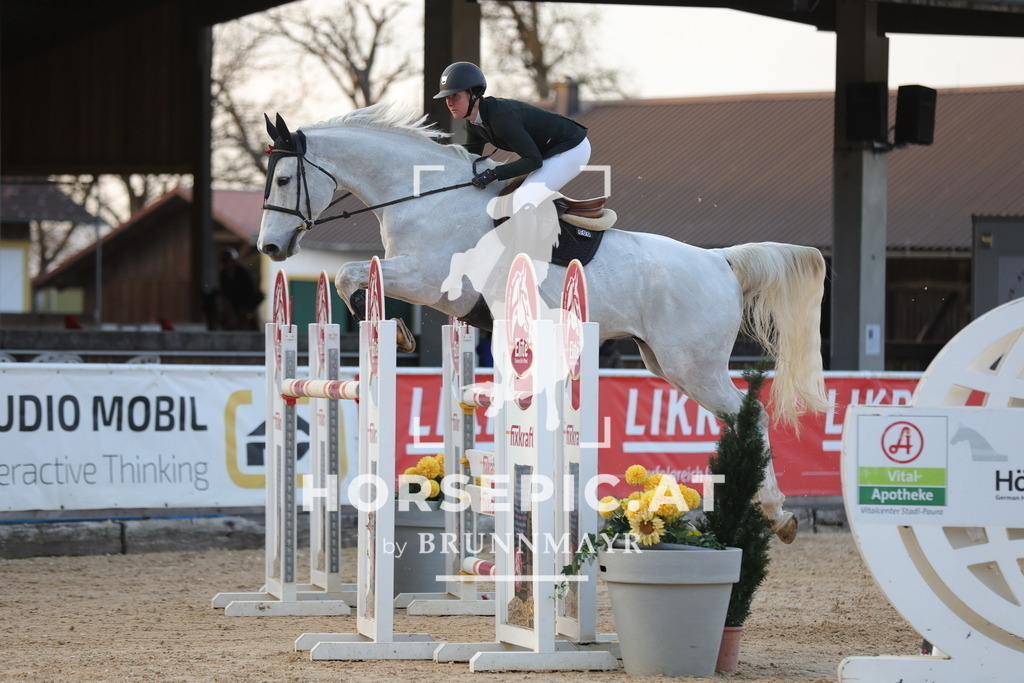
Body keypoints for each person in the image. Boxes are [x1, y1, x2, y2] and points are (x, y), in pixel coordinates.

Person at [433, 61, 591, 218]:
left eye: (455, 96)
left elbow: (533, 160)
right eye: (447, 97)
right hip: (551, 151)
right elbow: (470, 161)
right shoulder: (473, 123)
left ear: (474, 94)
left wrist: (494, 173)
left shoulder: (501, 118)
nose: (449, 103)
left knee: (524, 199)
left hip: (571, 148)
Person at [217, 248, 262, 330]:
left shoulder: (243, 272)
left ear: (232, 261)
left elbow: (250, 290)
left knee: (252, 319)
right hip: (233, 304)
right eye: (223, 261)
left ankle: (257, 333)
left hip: (248, 302)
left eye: (226, 261)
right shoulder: (223, 274)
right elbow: (224, 291)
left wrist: (246, 308)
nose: (225, 264)